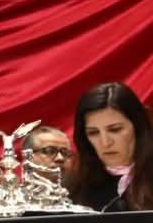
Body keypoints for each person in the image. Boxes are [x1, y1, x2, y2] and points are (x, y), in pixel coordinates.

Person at [64, 82, 153, 213]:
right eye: (93, 133)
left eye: (115, 129)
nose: (105, 143)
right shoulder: (73, 188)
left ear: (137, 127)